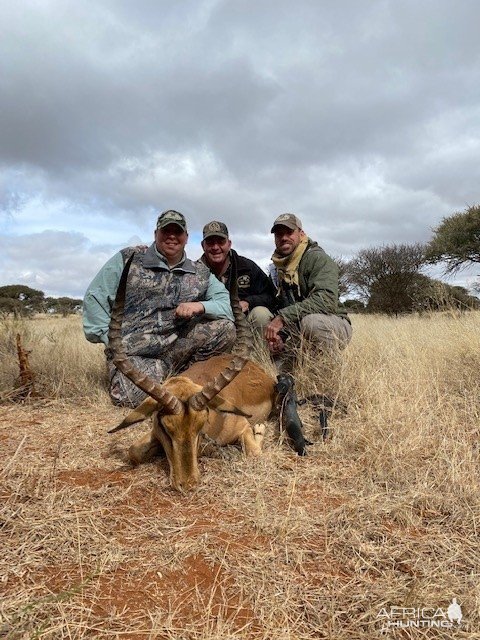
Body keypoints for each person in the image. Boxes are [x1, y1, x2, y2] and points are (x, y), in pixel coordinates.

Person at [83, 210, 235, 407]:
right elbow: (95, 296)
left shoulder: (200, 272)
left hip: (176, 350)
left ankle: (187, 379)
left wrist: (199, 306)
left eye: (177, 231)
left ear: (186, 238)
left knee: (225, 330)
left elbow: (227, 306)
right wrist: (110, 339)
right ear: (156, 234)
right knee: (130, 399)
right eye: (166, 231)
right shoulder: (129, 258)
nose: (172, 236)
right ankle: (169, 381)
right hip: (136, 352)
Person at [264, 213, 352, 365]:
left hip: (331, 324)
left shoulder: (318, 258)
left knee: (311, 323)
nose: (284, 237)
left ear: (301, 233)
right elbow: (286, 305)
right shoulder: (278, 268)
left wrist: (282, 318)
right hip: (298, 328)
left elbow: (326, 301)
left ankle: (328, 377)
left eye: (289, 232)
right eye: (279, 234)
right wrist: (281, 336)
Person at [200, 220, 277, 333]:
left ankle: (261, 350)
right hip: (214, 327)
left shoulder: (247, 267)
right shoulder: (195, 272)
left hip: (244, 323)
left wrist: (249, 302)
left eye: (221, 241)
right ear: (203, 246)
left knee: (261, 314)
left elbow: (270, 296)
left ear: (229, 244)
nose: (215, 247)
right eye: (210, 242)